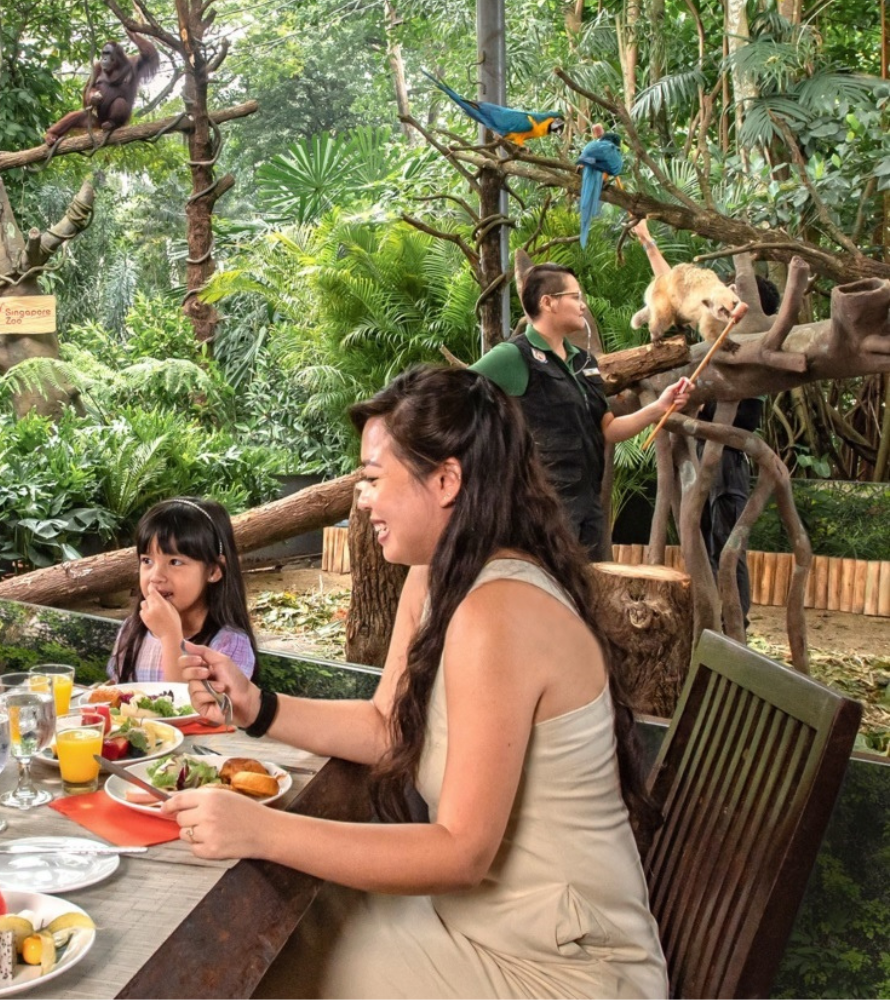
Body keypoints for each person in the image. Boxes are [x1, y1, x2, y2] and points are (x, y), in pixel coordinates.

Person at [168, 367, 666, 999]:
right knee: (259, 940)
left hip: (557, 971)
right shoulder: (435, 579)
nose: (363, 499)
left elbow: (461, 852)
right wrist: (255, 705)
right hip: (475, 927)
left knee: (253, 963)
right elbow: (387, 727)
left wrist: (259, 829)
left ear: (447, 479)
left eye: (373, 479)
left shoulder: (499, 613)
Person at [472, 263, 692, 559]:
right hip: (543, 505)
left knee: (591, 591)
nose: (582, 304)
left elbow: (609, 429)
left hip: (588, 502)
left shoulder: (583, 362)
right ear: (547, 302)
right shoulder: (514, 356)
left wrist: (659, 407)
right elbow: (456, 392)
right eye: (574, 297)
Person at [632, 218, 773, 624]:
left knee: (725, 544)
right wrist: (649, 244)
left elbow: (739, 414)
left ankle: (735, 618)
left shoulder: (746, 350)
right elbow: (673, 286)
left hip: (727, 459)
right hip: (706, 455)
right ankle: (716, 615)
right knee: (704, 535)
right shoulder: (713, 317)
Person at [108, 496, 257, 683]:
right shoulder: (132, 630)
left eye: (175, 562)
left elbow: (194, 707)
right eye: (147, 561)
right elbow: (119, 691)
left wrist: (171, 636)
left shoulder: (229, 644)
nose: (156, 576)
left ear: (214, 570)